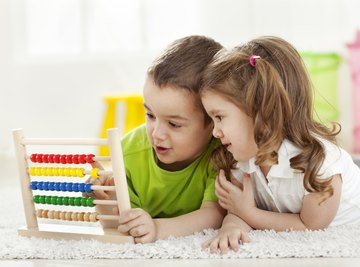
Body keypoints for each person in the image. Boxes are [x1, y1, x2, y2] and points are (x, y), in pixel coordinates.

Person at [199, 36, 360, 254]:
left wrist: (250, 213)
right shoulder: (241, 158)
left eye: (219, 117)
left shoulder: (321, 165)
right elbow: (236, 211)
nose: (215, 132)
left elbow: (310, 226)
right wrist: (231, 227)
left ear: (262, 114)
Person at [90, 35, 226, 244]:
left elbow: (214, 215)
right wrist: (106, 201)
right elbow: (121, 221)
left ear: (212, 122)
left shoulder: (222, 154)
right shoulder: (127, 154)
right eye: (150, 116)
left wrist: (157, 227)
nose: (157, 134)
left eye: (174, 124)